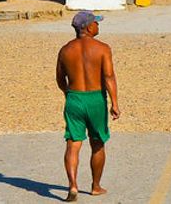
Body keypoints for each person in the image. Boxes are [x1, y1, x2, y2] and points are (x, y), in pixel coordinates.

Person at [57, 10, 121, 201]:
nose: (98, 25)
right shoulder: (103, 48)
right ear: (88, 27)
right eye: (96, 23)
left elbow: (60, 78)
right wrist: (115, 103)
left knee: (73, 143)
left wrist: (68, 93)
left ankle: (73, 186)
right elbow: (109, 76)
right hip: (95, 100)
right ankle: (95, 186)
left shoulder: (65, 50)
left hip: (74, 98)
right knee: (98, 143)